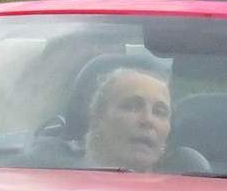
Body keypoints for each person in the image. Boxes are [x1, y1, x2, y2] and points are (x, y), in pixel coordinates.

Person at [31, 55, 209, 174]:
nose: (148, 120)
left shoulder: (187, 189)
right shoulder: (49, 174)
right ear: (97, 118)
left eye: (160, 112)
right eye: (132, 106)